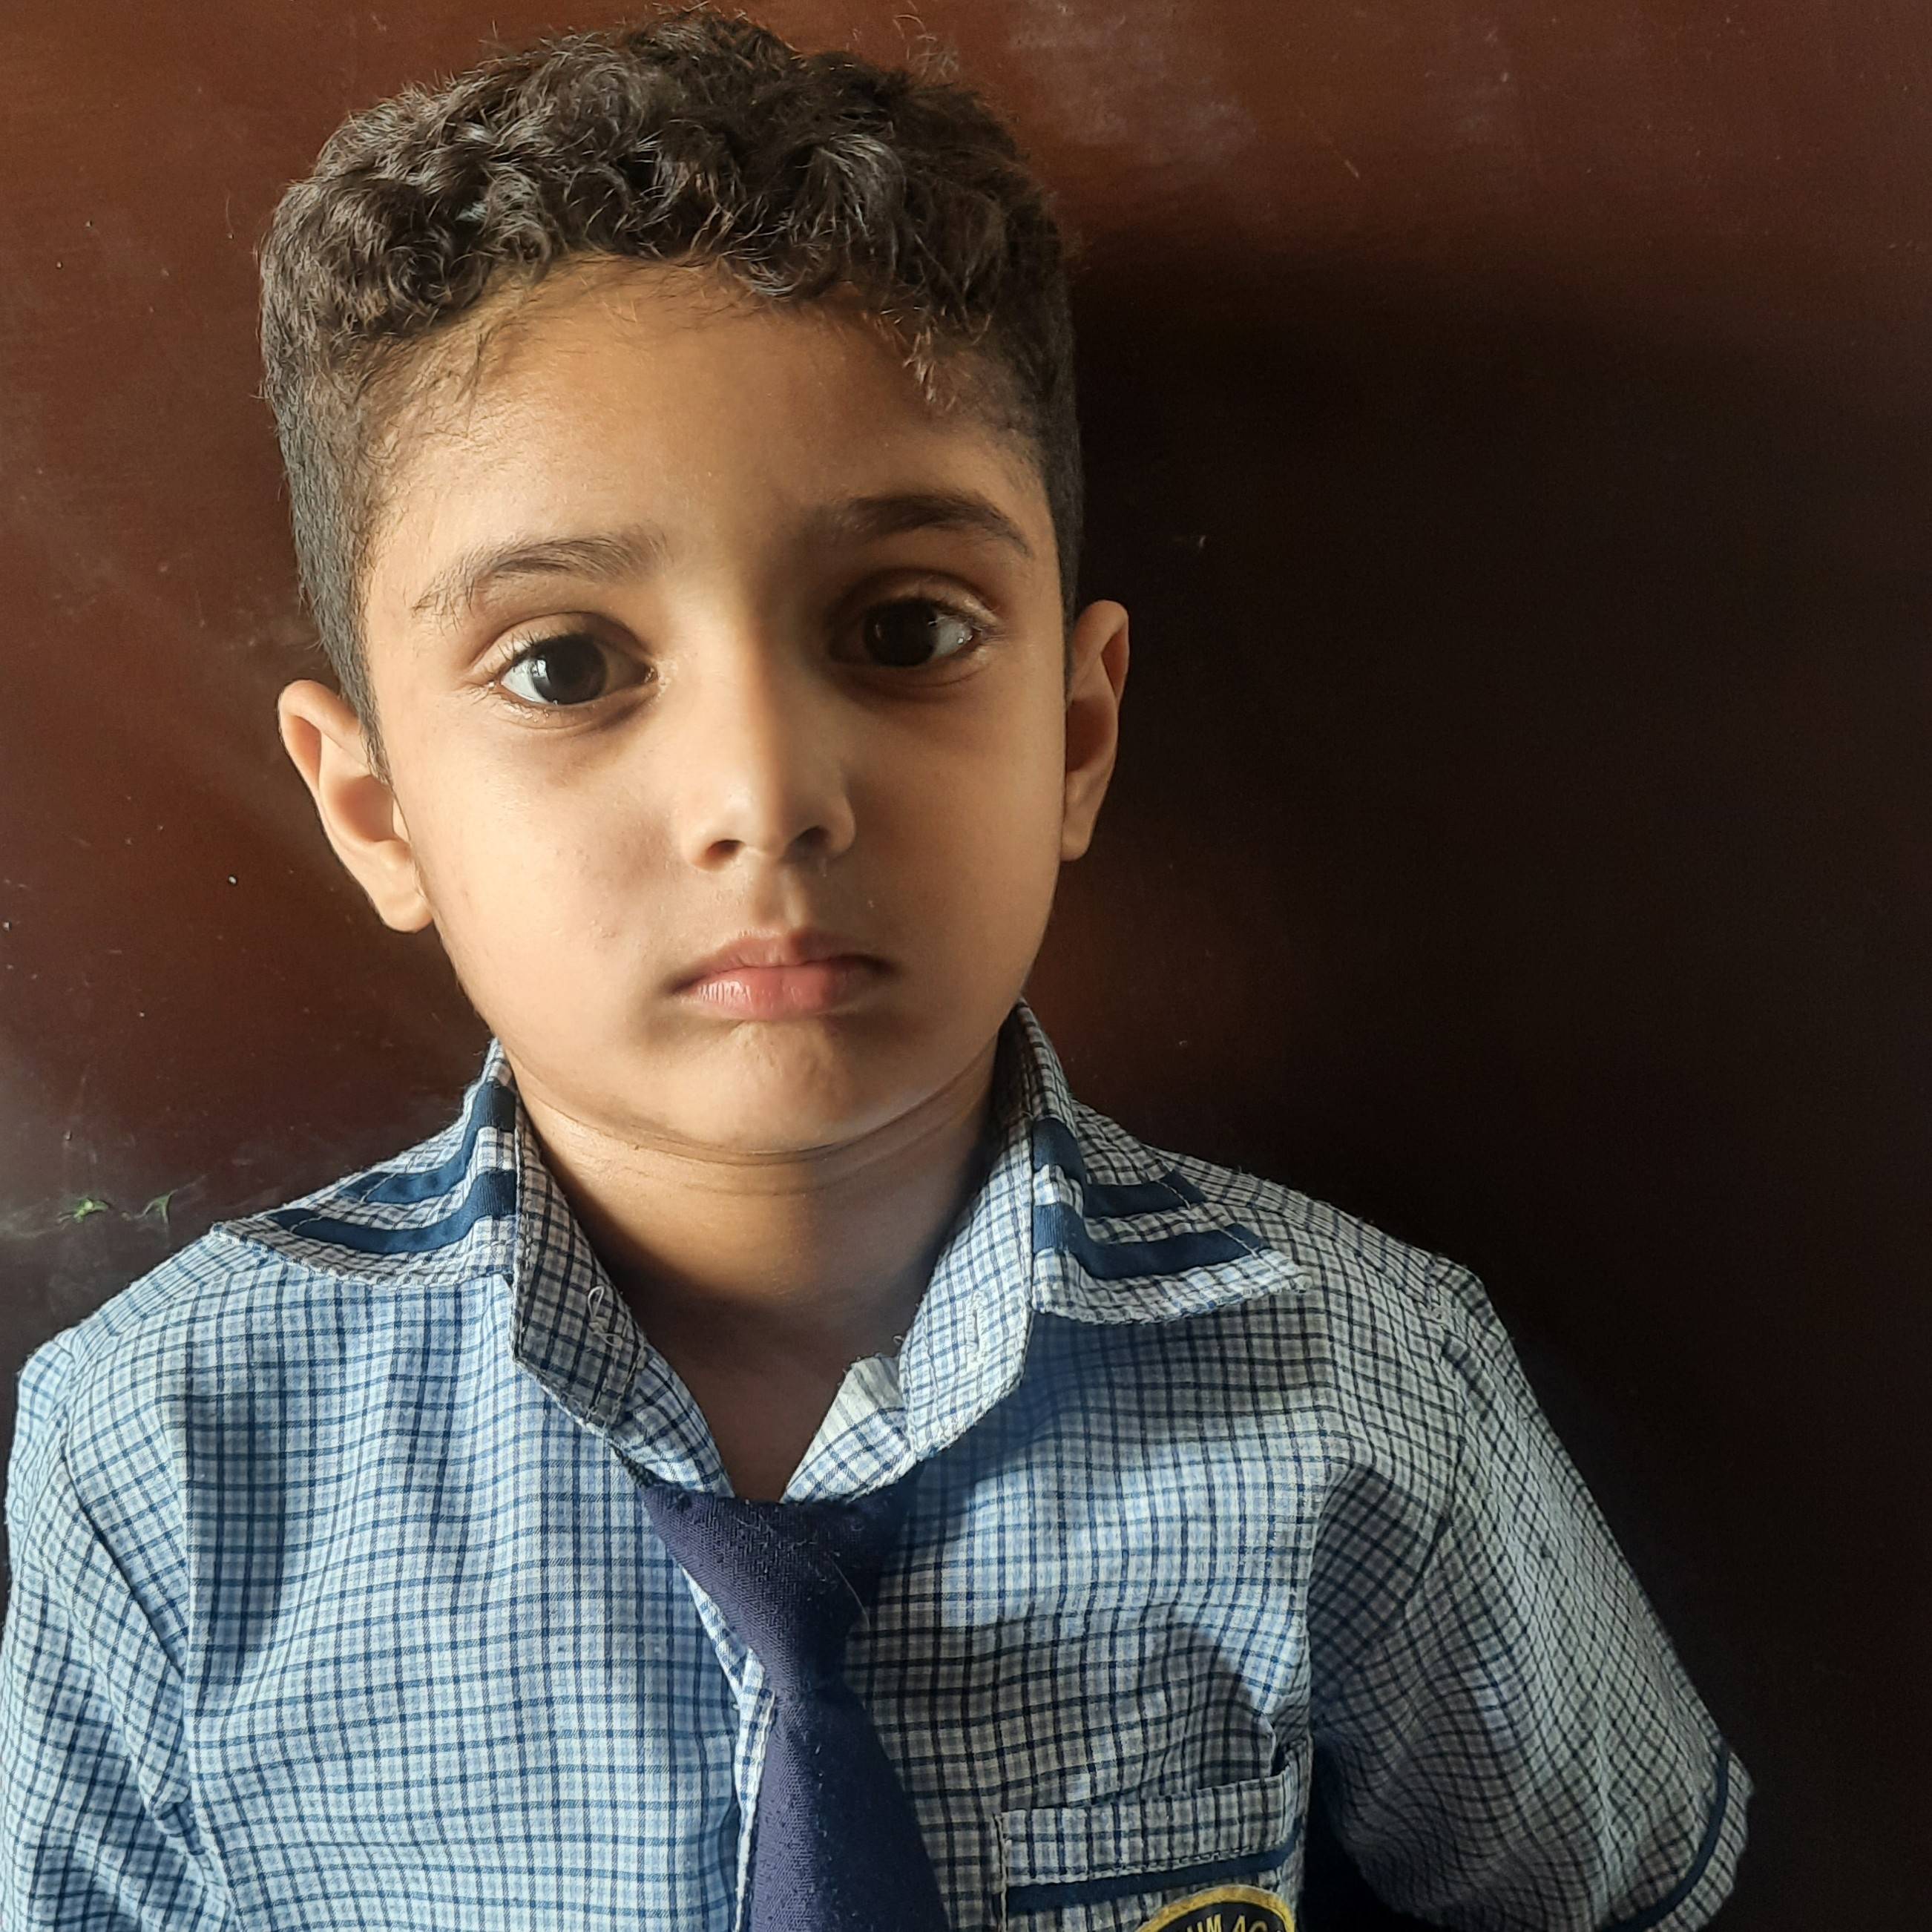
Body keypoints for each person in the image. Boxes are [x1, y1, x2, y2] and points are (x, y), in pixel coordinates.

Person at [0, 7, 1752, 1928]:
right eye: (565, 665)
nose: (765, 794)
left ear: (1076, 731)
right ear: (375, 807)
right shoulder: (165, 1455)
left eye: (905, 629)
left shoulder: (1363, 1387)